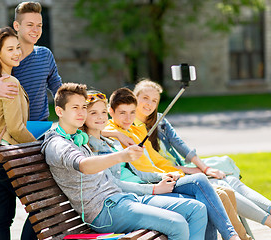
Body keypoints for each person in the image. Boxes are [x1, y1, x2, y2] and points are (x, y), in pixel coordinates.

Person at [41, 83, 208, 240]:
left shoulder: (78, 137)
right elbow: (84, 166)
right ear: (60, 111)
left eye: (83, 107)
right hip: (104, 210)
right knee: (177, 223)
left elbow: (96, 129)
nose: (81, 113)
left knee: (197, 209)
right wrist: (121, 156)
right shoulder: (58, 144)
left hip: (123, 198)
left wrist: (116, 134)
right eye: (74, 108)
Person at [0, 2, 62, 239]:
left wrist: (78, 105)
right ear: (16, 26)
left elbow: (57, 88)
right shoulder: (8, 57)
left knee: (9, 212)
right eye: (29, 24)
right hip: (14, 142)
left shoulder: (44, 55)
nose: (35, 29)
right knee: (35, 207)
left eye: (39, 25)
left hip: (35, 134)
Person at [105, 87, 241, 240]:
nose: (128, 118)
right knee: (201, 186)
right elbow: (91, 128)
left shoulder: (138, 129)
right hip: (147, 184)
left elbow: (156, 160)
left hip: (159, 177)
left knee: (203, 191)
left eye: (132, 112)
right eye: (122, 113)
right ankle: (232, 236)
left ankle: (231, 235)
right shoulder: (110, 130)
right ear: (111, 112)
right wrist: (115, 133)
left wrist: (178, 171)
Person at [133, 79, 271, 229]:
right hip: (168, 177)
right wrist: (192, 170)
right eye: (145, 98)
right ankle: (268, 221)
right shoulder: (131, 126)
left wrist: (205, 168)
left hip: (183, 169)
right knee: (223, 186)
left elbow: (180, 145)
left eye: (154, 100)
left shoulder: (160, 120)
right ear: (135, 98)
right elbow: (154, 165)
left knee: (231, 180)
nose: (149, 104)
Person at [0, 26, 36, 240]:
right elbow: (15, 129)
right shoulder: (9, 82)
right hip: (10, 158)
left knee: (3, 219)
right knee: (39, 210)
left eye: (18, 48)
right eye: (10, 49)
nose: (17, 53)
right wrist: (40, 146)